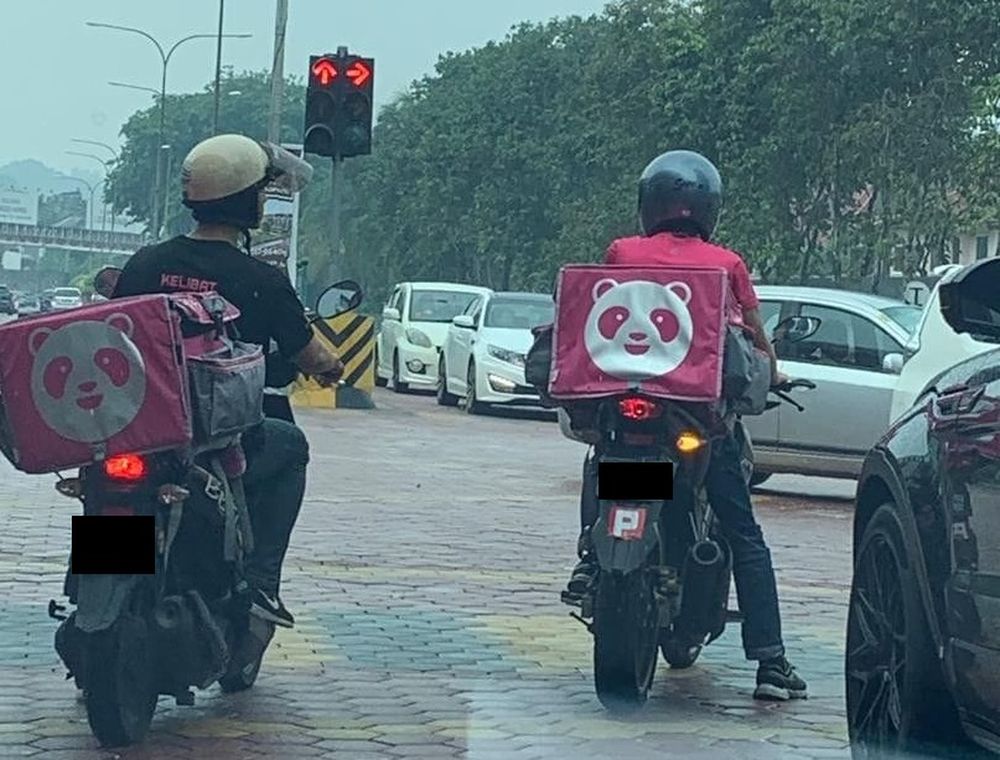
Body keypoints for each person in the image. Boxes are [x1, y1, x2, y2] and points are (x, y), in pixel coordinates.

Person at [563, 150, 807, 701]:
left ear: (648, 204)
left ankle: (587, 559)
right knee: (743, 534)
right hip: (697, 421)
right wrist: (776, 374)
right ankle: (770, 663)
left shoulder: (622, 252)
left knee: (599, 463)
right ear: (708, 209)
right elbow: (753, 340)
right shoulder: (727, 264)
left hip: (624, 416)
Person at [113, 134, 345, 628]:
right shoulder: (262, 280)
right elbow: (310, 353)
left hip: (141, 432)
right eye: (259, 193)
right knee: (292, 449)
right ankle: (261, 582)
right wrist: (332, 367)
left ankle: (92, 587)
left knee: (107, 488)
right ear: (246, 201)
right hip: (218, 437)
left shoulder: (146, 264)